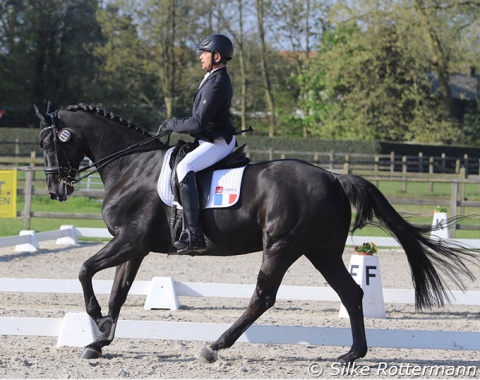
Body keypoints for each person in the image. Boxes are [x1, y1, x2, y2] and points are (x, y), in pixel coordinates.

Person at [160, 33, 237, 255]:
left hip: (218, 142)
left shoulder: (218, 82)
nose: (200, 57)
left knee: (185, 167)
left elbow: (198, 122)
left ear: (217, 56)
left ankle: (194, 234)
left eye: (204, 53)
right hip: (209, 138)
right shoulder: (212, 77)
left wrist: (172, 124)